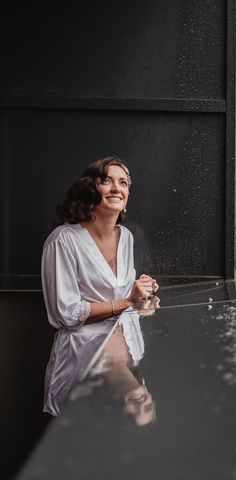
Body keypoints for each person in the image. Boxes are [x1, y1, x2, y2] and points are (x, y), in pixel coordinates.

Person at [41, 156, 159, 416]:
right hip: (83, 366)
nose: (117, 188)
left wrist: (143, 300)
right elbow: (66, 314)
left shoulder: (126, 237)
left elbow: (123, 297)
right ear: (90, 189)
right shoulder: (63, 241)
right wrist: (128, 301)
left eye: (124, 182)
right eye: (107, 181)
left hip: (128, 353)